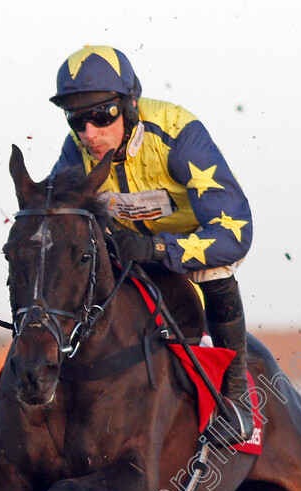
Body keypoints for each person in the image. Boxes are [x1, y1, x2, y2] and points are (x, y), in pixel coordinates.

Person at [49, 45, 254, 444]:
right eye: (76, 119)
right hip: (125, 254)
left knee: (214, 270)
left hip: (190, 249)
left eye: (101, 115)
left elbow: (236, 232)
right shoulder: (76, 150)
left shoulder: (180, 135)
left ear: (129, 107)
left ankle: (235, 399)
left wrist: (160, 250)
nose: (89, 133)